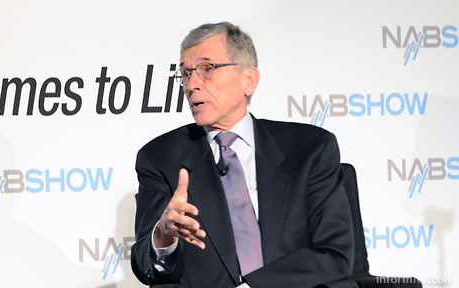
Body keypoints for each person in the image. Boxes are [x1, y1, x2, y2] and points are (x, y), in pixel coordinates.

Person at [131, 22, 356, 288]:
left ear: (248, 80)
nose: (192, 84)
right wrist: (163, 237)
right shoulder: (160, 158)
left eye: (207, 69)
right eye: (185, 73)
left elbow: (334, 256)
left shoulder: (309, 149)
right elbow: (150, 271)